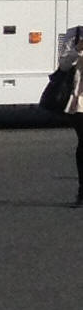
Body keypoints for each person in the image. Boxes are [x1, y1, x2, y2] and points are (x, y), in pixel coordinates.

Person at [59, 26, 83, 207]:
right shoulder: (74, 35)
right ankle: (82, 189)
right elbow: (63, 65)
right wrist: (77, 49)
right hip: (79, 101)